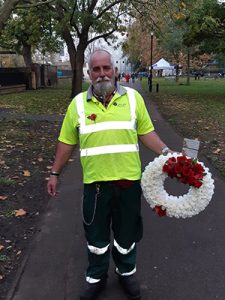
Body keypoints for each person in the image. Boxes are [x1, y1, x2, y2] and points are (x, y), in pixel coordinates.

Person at [47, 49, 172, 300]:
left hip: (128, 183)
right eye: (96, 69)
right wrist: (54, 172)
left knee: (127, 234)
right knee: (96, 238)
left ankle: (126, 273)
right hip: (95, 186)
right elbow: (66, 142)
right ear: (89, 73)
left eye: (106, 68)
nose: (102, 73)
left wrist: (168, 153)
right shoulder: (78, 105)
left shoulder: (134, 99)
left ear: (114, 70)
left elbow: (146, 133)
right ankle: (96, 278)